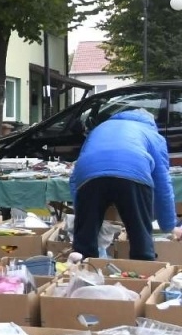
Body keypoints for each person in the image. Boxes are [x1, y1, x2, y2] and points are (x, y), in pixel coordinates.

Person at [69, 109, 176, 261]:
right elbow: (163, 183)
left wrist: (83, 212)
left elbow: (75, 178)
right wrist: (168, 226)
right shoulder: (152, 134)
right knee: (140, 234)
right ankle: (143, 265)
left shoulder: (100, 128)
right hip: (134, 173)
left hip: (89, 174)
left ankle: (81, 267)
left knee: (84, 244)